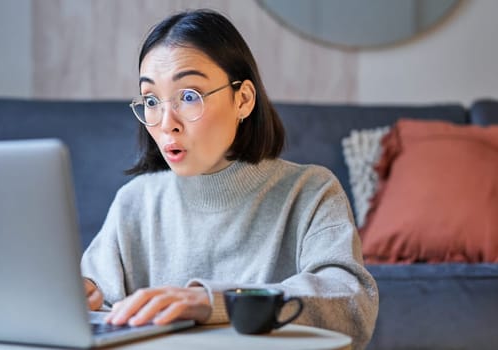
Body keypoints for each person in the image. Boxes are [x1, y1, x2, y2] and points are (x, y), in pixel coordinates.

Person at [80, 9, 378, 348]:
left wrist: (215, 301)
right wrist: (77, 299)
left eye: (189, 96)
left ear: (243, 100)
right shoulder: (134, 201)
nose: (166, 123)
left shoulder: (311, 191)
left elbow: (352, 302)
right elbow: (96, 302)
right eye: (151, 100)